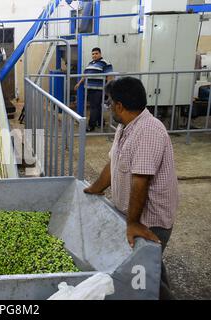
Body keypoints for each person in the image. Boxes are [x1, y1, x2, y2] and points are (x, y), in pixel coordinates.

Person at [84, 77, 179, 300]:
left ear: (120, 106)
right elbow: (114, 163)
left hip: (150, 219)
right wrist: (95, 188)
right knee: (151, 265)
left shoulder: (148, 131)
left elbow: (141, 181)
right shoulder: (126, 126)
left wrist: (134, 223)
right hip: (137, 216)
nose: (109, 107)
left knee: (140, 272)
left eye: (109, 102)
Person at [74, 47, 114, 132]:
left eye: (96, 53)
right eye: (93, 54)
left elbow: (110, 76)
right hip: (90, 88)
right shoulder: (90, 63)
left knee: (93, 107)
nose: (94, 55)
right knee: (97, 106)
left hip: (99, 89)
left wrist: (108, 89)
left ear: (100, 54)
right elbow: (85, 75)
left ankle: (91, 125)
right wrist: (79, 83)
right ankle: (100, 122)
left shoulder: (105, 63)